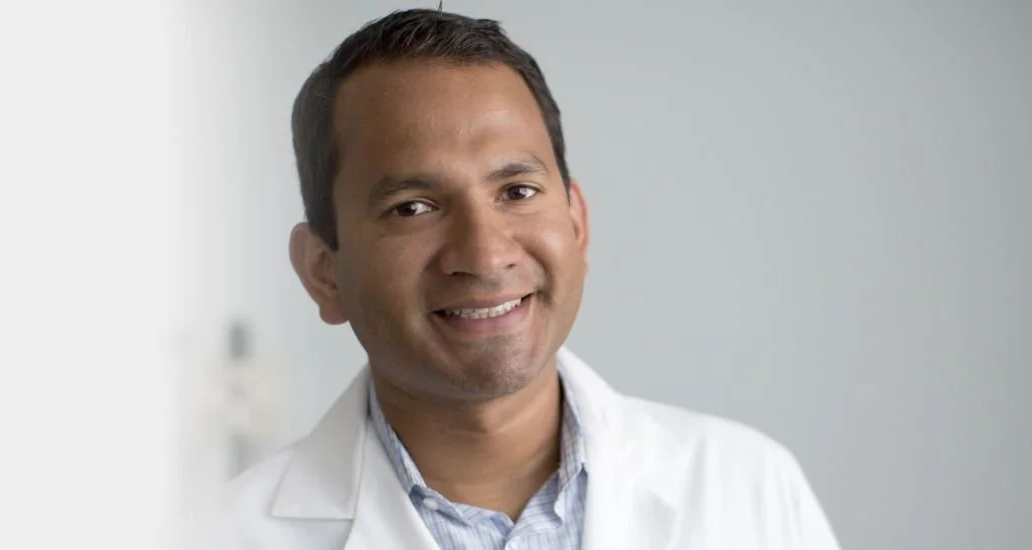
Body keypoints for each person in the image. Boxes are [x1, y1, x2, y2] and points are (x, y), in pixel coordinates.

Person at [190, 9, 841, 550]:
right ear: (323, 272)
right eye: (413, 207)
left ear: (577, 222)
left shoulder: (749, 490)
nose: (484, 254)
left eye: (518, 191)